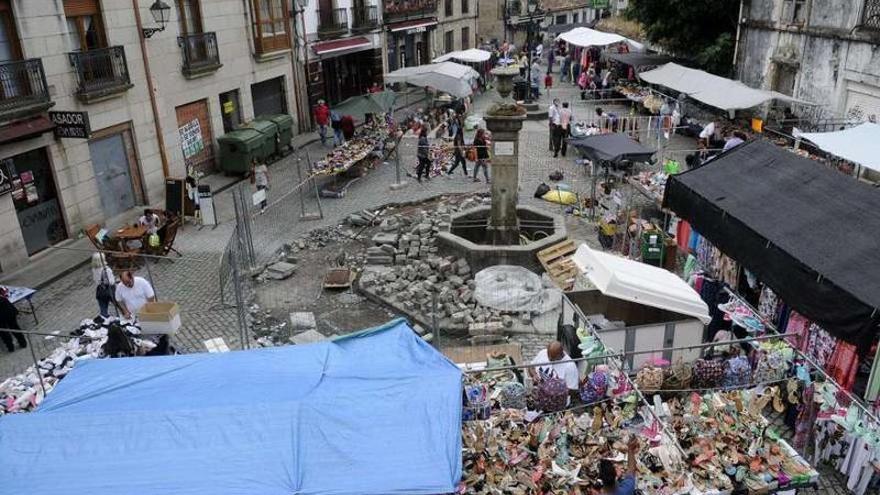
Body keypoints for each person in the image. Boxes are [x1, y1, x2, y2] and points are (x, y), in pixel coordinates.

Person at [0, 287, 26, 353]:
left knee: (4, 332)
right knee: (14, 327)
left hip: (5, 311)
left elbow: (4, 292)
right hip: (8, 310)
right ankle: (22, 343)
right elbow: (3, 292)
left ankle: (11, 347)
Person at [92, 253, 116, 318]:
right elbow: (111, 282)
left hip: (100, 290)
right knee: (118, 306)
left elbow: (95, 280)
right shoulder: (106, 269)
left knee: (103, 308)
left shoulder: (94, 269)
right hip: (109, 290)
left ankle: (105, 320)